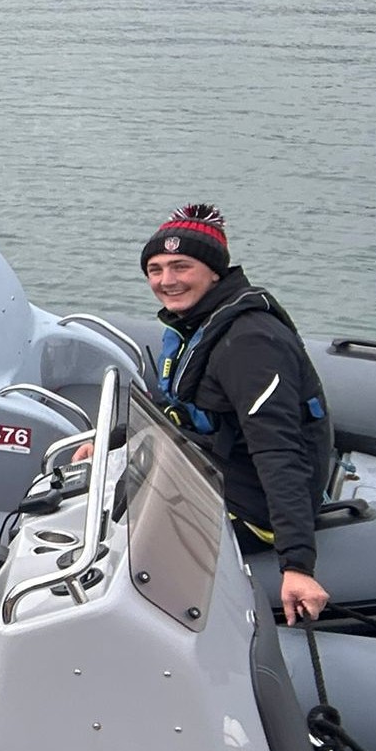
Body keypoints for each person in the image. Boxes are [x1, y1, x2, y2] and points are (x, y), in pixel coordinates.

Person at [141, 204, 333, 623]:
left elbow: (278, 451)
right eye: (155, 269)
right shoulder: (200, 323)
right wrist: (113, 439)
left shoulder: (249, 343)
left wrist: (297, 565)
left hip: (253, 506)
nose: (166, 281)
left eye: (180, 266)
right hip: (220, 466)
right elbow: (176, 411)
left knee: (129, 539)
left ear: (214, 271)